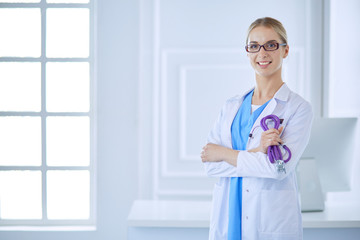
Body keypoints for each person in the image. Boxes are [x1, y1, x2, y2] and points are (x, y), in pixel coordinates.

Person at [201, 17, 313, 240]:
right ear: (248, 52)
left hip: (268, 225)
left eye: (271, 45)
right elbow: (210, 166)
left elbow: (277, 169)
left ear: (285, 50)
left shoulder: (297, 108)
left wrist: (223, 153)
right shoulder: (232, 106)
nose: (262, 53)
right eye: (254, 46)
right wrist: (255, 153)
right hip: (228, 219)